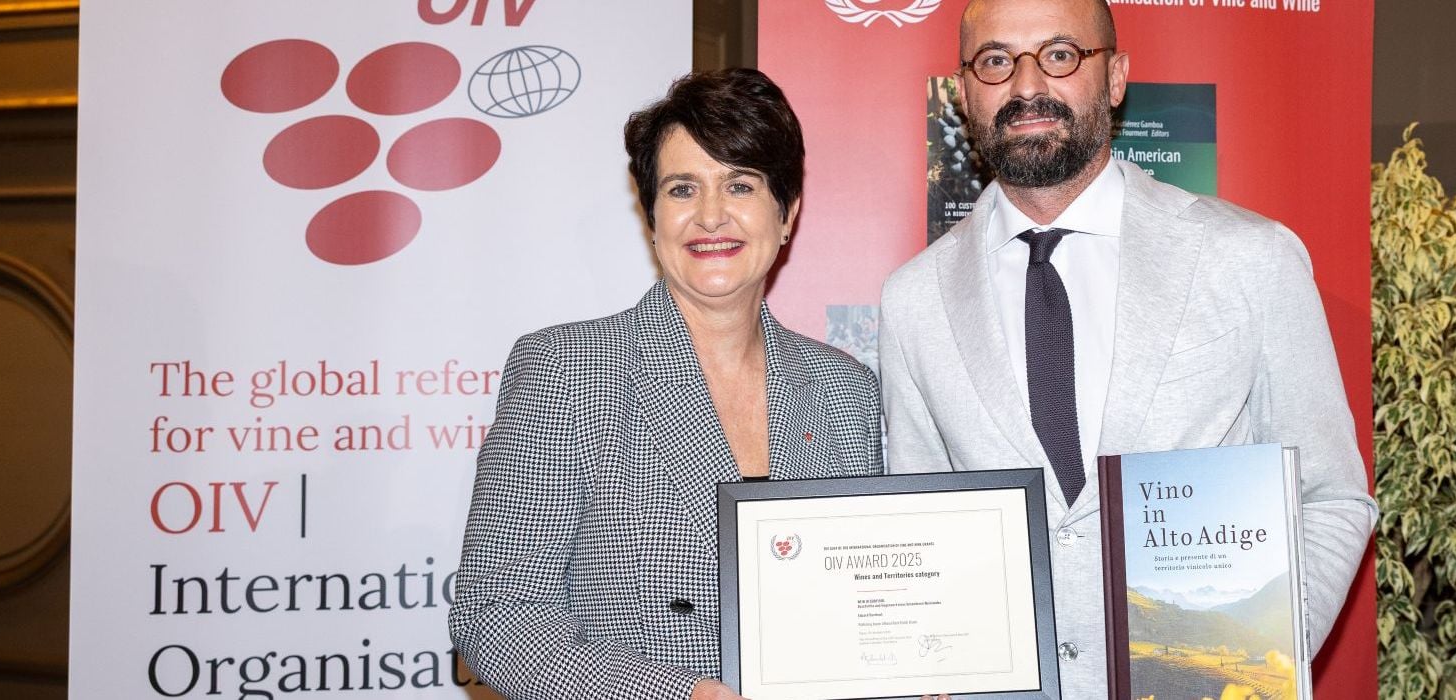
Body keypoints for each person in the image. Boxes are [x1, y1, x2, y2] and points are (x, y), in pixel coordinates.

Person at [878, 0, 1378, 694]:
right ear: (964, 93)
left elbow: (1330, 497)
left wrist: (1257, 670)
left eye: (1060, 55)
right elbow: (921, 527)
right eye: (995, 61)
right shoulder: (913, 300)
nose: (1026, 85)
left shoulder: (1251, 259)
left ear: (1115, 78)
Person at [448, 68, 882, 700]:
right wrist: (676, 695)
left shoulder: (845, 389)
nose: (711, 216)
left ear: (787, 212)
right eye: (682, 189)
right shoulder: (565, 370)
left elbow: (862, 600)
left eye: (740, 185)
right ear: (652, 215)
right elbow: (497, 616)